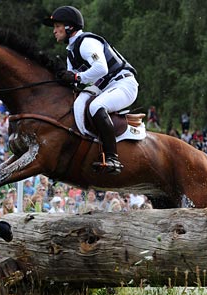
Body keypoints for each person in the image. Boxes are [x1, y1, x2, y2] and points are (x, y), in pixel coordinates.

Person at [43, 6, 138, 174]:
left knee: (96, 107)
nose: (54, 31)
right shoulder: (71, 52)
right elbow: (73, 80)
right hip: (105, 86)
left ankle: (112, 158)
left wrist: (76, 78)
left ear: (69, 27)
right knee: (77, 104)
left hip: (123, 84)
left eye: (57, 26)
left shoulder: (86, 42)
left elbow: (101, 68)